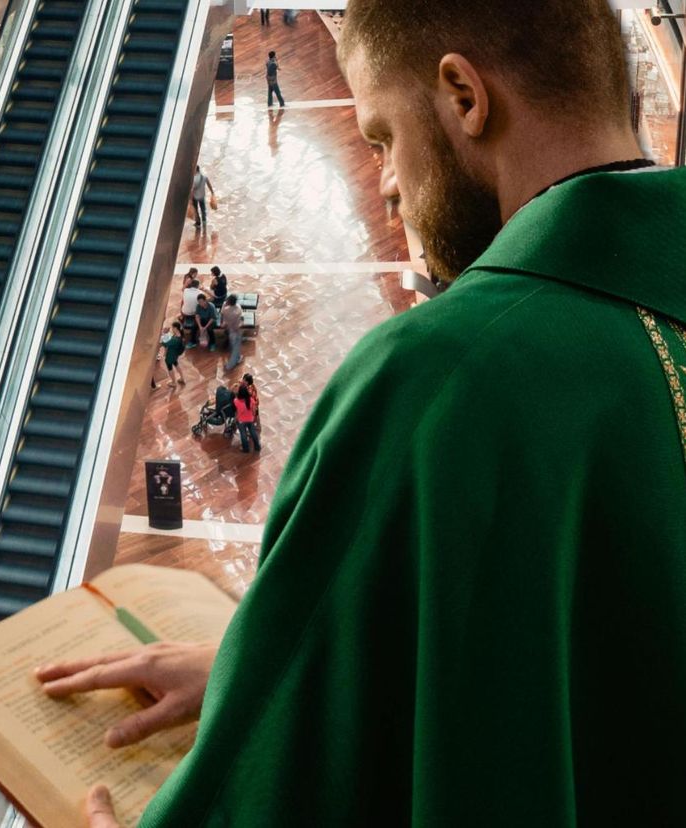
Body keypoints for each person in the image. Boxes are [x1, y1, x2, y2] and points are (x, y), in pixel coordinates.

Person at [39, 1, 686, 825]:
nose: (383, 180)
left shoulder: (439, 381)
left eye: (381, 136)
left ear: (463, 96)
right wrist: (285, 665)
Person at [232, 383, 260, 453]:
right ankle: (257, 446)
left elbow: (235, 411)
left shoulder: (236, 401)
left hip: (241, 420)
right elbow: (254, 411)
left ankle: (246, 449)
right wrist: (253, 417)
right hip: (250, 419)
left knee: (243, 434)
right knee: (253, 432)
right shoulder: (251, 400)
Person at [221, 294, 243, 372]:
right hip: (237, 329)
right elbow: (241, 318)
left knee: (234, 345)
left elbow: (223, 317)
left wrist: (225, 305)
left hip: (230, 329)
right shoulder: (238, 309)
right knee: (236, 347)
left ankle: (236, 359)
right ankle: (232, 363)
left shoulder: (225, 310)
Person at [160, 322, 186, 387]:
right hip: (175, 355)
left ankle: (173, 382)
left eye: (172, 328)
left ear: (175, 328)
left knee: (170, 368)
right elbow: (170, 339)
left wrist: (163, 333)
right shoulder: (179, 336)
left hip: (170, 356)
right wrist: (167, 333)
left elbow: (165, 343)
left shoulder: (175, 339)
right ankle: (182, 378)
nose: (172, 329)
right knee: (176, 365)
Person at [181, 279, 203, 347]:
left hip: (185, 312)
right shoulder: (200, 293)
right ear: (197, 285)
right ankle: (198, 334)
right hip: (194, 314)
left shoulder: (185, 290)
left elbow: (183, 289)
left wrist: (186, 283)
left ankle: (183, 327)